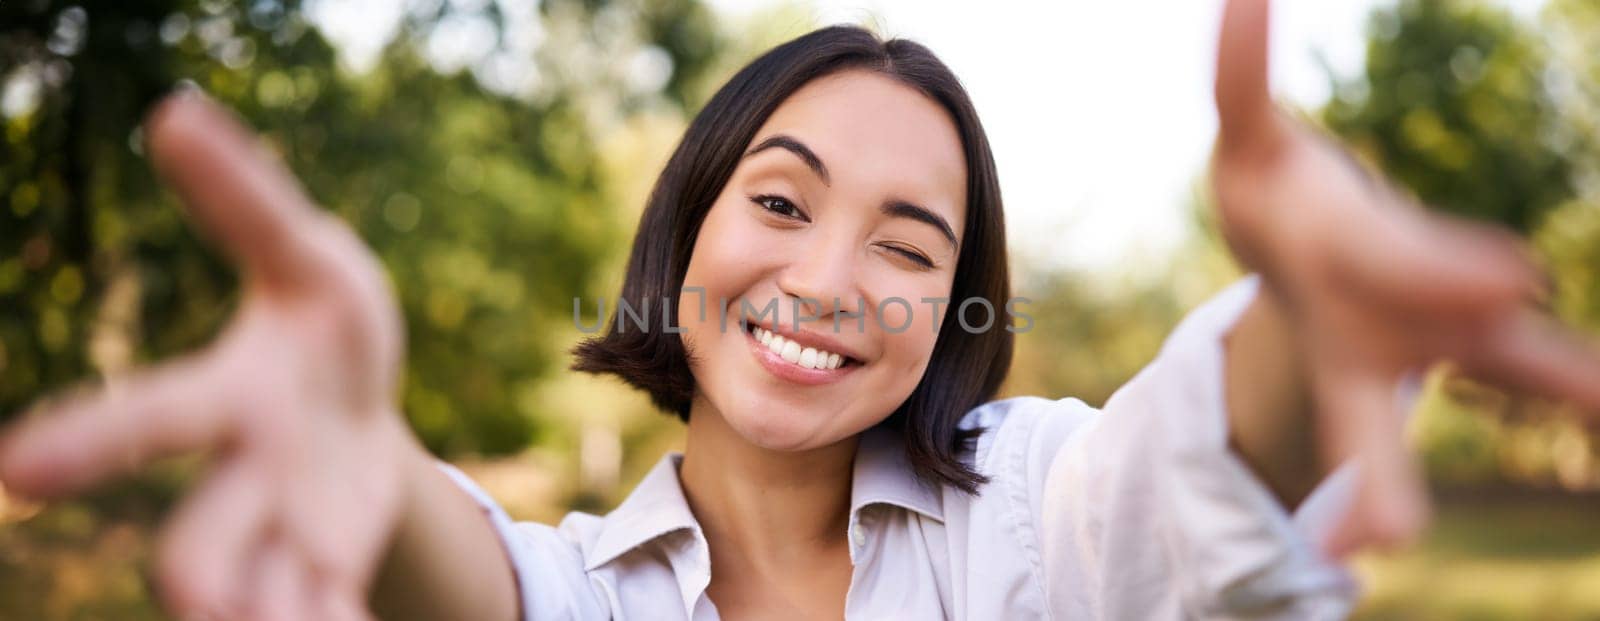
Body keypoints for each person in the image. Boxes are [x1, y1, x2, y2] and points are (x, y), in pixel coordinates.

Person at [3, 0, 1598, 619]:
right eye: (779, 200)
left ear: (956, 306)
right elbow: (469, 582)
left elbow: (1183, 477)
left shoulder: (1032, 511)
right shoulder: (577, 586)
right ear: (685, 228)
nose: (831, 278)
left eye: (912, 242)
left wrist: (1302, 339)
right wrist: (361, 446)